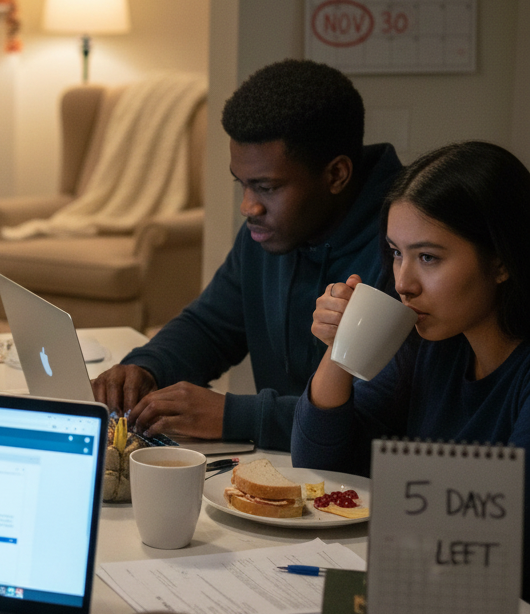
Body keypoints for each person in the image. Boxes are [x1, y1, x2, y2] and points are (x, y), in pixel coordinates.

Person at [92, 59, 402, 450]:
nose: (248, 207)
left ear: (336, 175)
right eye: (242, 184)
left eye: (266, 188)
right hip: (284, 467)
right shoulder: (272, 232)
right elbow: (210, 327)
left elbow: (385, 416)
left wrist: (232, 415)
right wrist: (147, 367)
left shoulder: (408, 248)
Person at [292, 140, 530, 598]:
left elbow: (504, 535)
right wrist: (340, 346)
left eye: (428, 258)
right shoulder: (432, 346)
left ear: (499, 261)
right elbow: (320, 466)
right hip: (435, 589)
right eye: (396, 253)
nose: (403, 283)